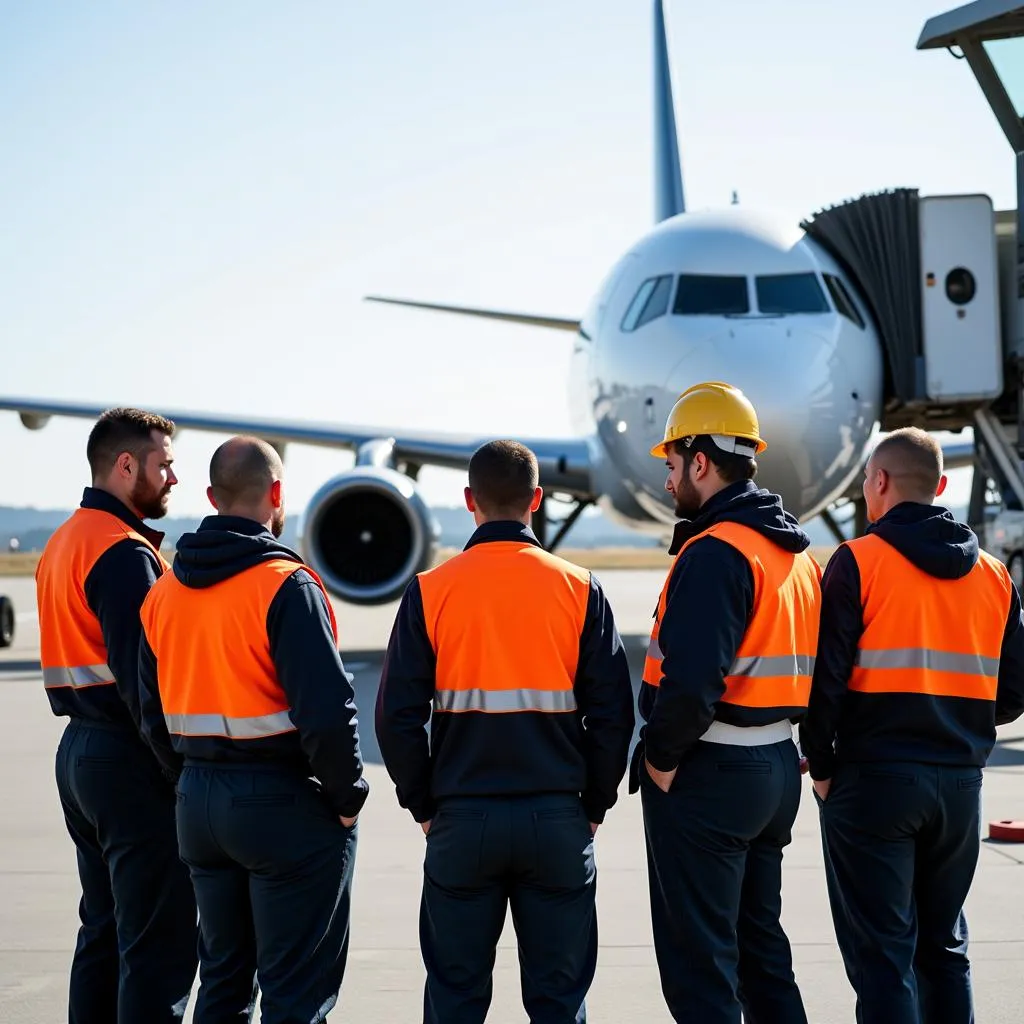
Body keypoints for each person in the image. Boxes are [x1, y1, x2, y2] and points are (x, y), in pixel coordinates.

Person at [375, 439, 635, 1024]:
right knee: (559, 1001)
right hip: (557, 820)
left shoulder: (430, 591)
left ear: (469, 500)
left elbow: (395, 717)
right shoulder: (580, 589)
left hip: (462, 820)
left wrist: (423, 805)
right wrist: (593, 802)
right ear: (537, 500)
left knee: (456, 998)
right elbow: (615, 713)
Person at [136, 435, 368, 1024]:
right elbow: (326, 711)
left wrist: (185, 780)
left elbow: (148, 710)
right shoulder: (285, 586)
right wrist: (347, 800)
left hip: (197, 803)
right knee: (294, 988)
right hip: (278, 805)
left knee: (222, 981)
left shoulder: (163, 592)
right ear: (278, 494)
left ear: (212, 497)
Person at [799, 427, 1024, 1023]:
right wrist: (959, 716)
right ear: (942, 487)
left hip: (873, 782)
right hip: (959, 786)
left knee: (883, 958)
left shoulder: (858, 561)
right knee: (945, 949)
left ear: (877, 483)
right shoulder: (995, 576)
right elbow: (1014, 693)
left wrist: (820, 767)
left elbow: (827, 682)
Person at [630, 381, 821, 1024]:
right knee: (761, 952)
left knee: (700, 966)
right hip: (772, 769)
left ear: (701, 462)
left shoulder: (716, 552)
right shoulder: (795, 555)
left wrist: (658, 760)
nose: (667, 481)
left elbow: (691, 682)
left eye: (671, 465)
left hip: (710, 775)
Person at [35, 406, 199, 1023]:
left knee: (102, 932)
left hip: (80, 754)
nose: (172, 480)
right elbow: (144, 685)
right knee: (157, 944)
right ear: (126, 466)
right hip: (128, 758)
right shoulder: (122, 554)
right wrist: (182, 775)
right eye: (165, 465)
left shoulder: (66, 540)